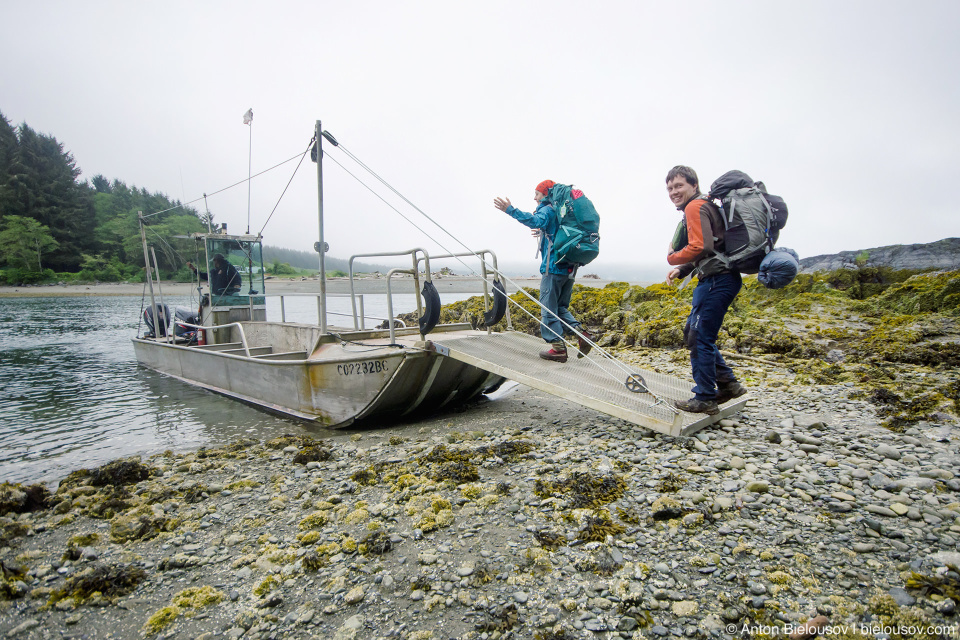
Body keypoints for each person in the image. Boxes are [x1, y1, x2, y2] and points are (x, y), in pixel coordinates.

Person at [665, 165, 747, 414]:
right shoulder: (705, 204)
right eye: (669, 188)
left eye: (679, 186)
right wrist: (684, 269)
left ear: (694, 185)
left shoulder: (694, 207)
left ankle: (705, 397)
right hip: (720, 278)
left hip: (716, 281)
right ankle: (728, 385)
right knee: (696, 331)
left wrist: (673, 259)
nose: (673, 191)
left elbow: (700, 245)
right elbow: (713, 246)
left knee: (699, 336)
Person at [493, 179, 591, 363]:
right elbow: (554, 231)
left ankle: (558, 349)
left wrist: (510, 209)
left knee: (548, 309)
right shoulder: (559, 211)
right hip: (568, 269)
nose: (534, 198)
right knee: (560, 308)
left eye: (537, 194)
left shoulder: (546, 208)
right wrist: (542, 232)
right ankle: (582, 334)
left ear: (545, 194)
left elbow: (534, 220)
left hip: (553, 268)